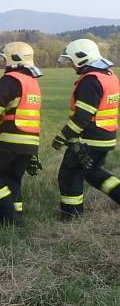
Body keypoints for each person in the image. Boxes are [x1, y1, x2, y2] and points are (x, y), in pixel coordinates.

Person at [53, 39, 120, 220]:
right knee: (93, 172)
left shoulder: (90, 80)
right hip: (106, 136)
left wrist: (62, 136)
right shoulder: (109, 75)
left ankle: (71, 216)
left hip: (89, 139)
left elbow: (83, 116)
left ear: (81, 58)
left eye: (71, 61)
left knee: (70, 174)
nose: (71, 66)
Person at [0, 42, 42, 226]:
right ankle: (15, 218)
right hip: (30, 142)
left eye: (3, 59)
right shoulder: (32, 82)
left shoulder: (10, 79)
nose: (2, 64)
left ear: (13, 59)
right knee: (12, 179)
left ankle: (8, 217)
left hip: (9, 139)